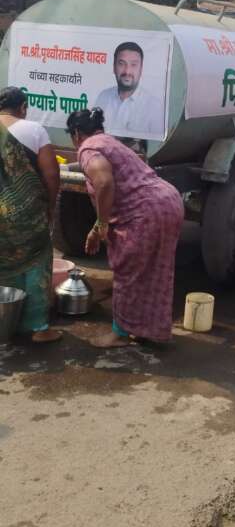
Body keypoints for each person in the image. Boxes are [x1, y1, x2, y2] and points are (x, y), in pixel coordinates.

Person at [67, 107, 184, 348]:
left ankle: (120, 333)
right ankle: (148, 330)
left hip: (144, 212)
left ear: (76, 133)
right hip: (168, 202)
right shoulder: (109, 141)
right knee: (156, 272)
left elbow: (104, 181)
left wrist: (100, 224)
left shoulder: (88, 148)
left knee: (127, 272)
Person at [0, 86, 60, 343]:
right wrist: (50, 206)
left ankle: (6, 321)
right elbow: (51, 174)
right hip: (27, 212)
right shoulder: (34, 130)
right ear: (23, 107)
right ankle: (38, 328)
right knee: (37, 261)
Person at [95, 41, 164, 139]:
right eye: (121, 64)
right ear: (114, 67)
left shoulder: (154, 107)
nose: (127, 71)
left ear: (141, 69)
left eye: (133, 65)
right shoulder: (103, 96)